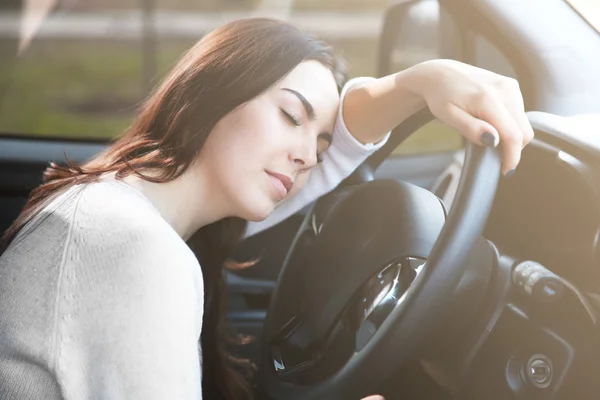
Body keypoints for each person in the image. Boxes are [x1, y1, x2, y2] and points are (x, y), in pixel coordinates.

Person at [0, 18, 533, 400]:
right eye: (289, 115)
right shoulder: (134, 246)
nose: (306, 157)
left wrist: (418, 82)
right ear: (217, 89)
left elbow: (340, 144)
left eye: (318, 146)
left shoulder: (132, 206)